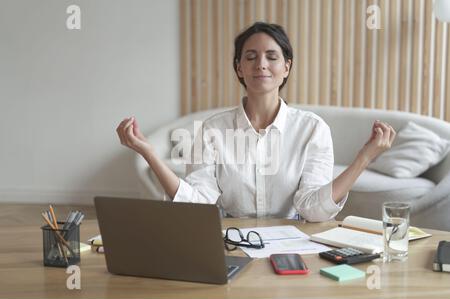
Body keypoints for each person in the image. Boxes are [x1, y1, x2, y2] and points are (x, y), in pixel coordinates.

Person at [116, 22, 396, 222]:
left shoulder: (312, 129)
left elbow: (313, 209)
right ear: (239, 68)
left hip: (293, 244)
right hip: (231, 242)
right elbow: (197, 204)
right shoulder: (213, 130)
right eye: (250, 57)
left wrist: (364, 158)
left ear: (286, 67)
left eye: (272, 57)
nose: (261, 64)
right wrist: (149, 153)